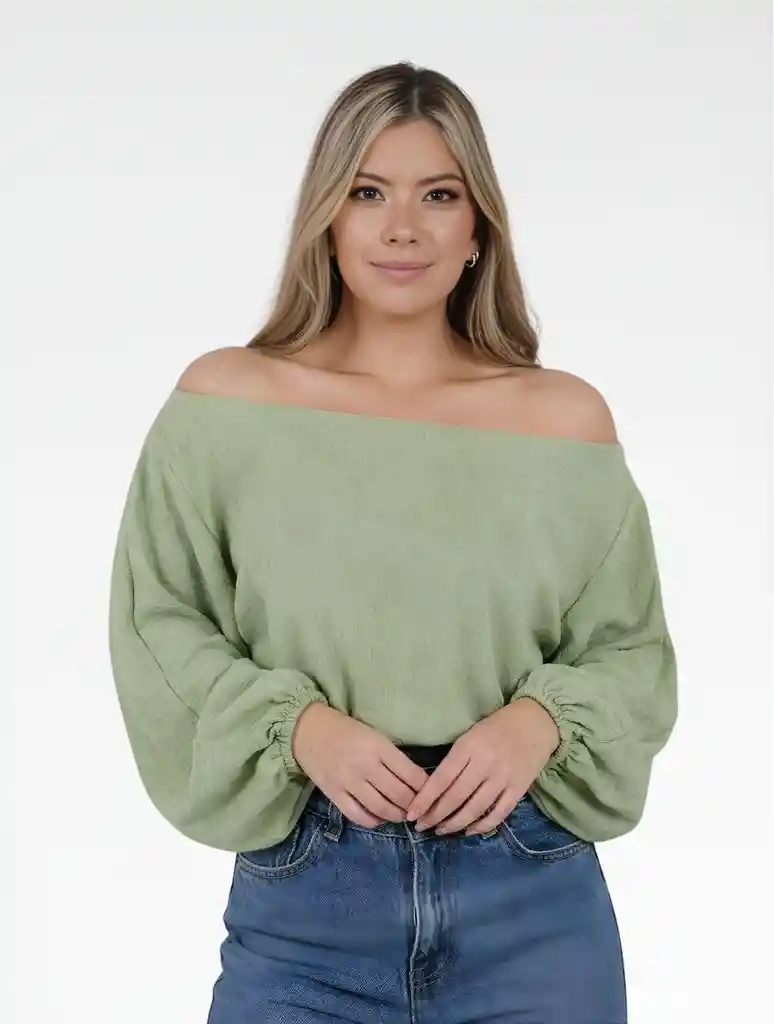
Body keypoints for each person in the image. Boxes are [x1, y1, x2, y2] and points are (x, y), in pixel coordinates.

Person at [108, 61, 678, 1023]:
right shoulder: (227, 403)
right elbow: (159, 620)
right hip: (306, 905)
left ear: (479, 225)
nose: (401, 226)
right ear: (326, 217)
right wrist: (300, 727)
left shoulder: (564, 421)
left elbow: (631, 652)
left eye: (438, 195)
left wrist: (536, 724)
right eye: (368, 192)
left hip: (534, 902)